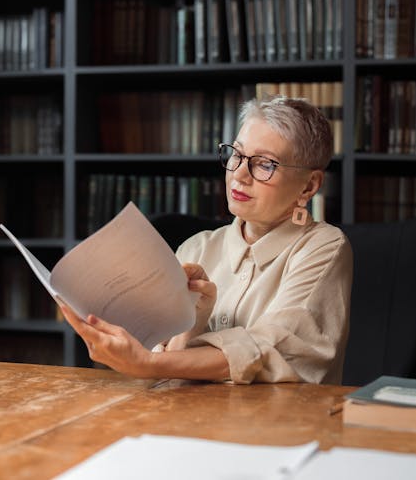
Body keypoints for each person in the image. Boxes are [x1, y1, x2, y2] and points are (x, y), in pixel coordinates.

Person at [62, 96, 353, 384]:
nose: (239, 174)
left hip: (280, 425)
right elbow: (166, 372)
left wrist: (148, 362)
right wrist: (191, 327)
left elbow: (272, 348)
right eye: (236, 155)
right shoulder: (195, 247)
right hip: (190, 422)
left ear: (309, 185)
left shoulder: (323, 246)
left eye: (265, 164)